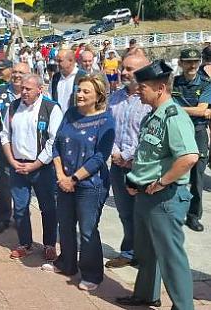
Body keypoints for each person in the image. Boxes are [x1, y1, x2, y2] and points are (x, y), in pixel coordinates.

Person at [116, 60, 198, 309]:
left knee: (171, 258)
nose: (138, 91)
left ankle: (184, 306)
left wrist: (162, 182)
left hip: (166, 198)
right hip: (145, 195)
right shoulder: (152, 117)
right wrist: (135, 177)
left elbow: (189, 157)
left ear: (160, 88)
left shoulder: (174, 117)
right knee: (146, 252)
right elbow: (150, 155)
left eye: (142, 87)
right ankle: (146, 294)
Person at [44, 75, 115, 291]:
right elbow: (56, 144)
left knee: (87, 230)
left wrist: (74, 178)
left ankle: (92, 273)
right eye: (79, 90)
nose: (80, 95)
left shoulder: (106, 121)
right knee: (64, 224)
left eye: (86, 91)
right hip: (63, 180)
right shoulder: (70, 113)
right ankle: (66, 263)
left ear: (98, 95)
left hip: (90, 185)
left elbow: (100, 157)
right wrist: (60, 175)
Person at [0, 74, 63, 260]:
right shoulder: (13, 107)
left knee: (48, 207)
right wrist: (12, 161)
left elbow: (54, 141)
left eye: (28, 89)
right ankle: (25, 243)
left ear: (39, 89)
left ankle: (49, 244)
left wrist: (36, 164)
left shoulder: (51, 108)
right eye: (23, 88)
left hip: (42, 167)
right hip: (18, 166)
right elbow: (5, 135)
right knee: (20, 208)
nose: (24, 91)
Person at [105, 49, 152, 269]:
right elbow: (109, 128)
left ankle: (146, 255)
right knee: (125, 212)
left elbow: (149, 135)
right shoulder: (115, 98)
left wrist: (127, 155)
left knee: (144, 214)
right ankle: (129, 251)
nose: (123, 72)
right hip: (118, 166)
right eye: (123, 68)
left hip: (142, 167)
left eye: (129, 69)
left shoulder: (150, 100)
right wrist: (116, 153)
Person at [0, 62, 29, 234]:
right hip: (1, 147)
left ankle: (21, 217)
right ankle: (2, 218)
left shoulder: (32, 93)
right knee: (2, 185)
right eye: (15, 72)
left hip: (25, 148)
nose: (17, 75)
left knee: (22, 186)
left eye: (21, 72)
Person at [171, 48, 210, 232]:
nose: (192, 65)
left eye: (195, 61)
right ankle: (175, 212)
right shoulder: (174, 83)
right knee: (175, 175)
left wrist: (176, 109)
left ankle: (193, 216)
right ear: (181, 63)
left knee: (197, 177)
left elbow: (202, 110)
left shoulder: (206, 84)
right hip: (178, 133)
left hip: (198, 132)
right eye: (188, 61)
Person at [51, 49, 86, 114]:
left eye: (60, 61)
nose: (57, 64)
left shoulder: (84, 77)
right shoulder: (55, 78)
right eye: (56, 61)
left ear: (71, 61)